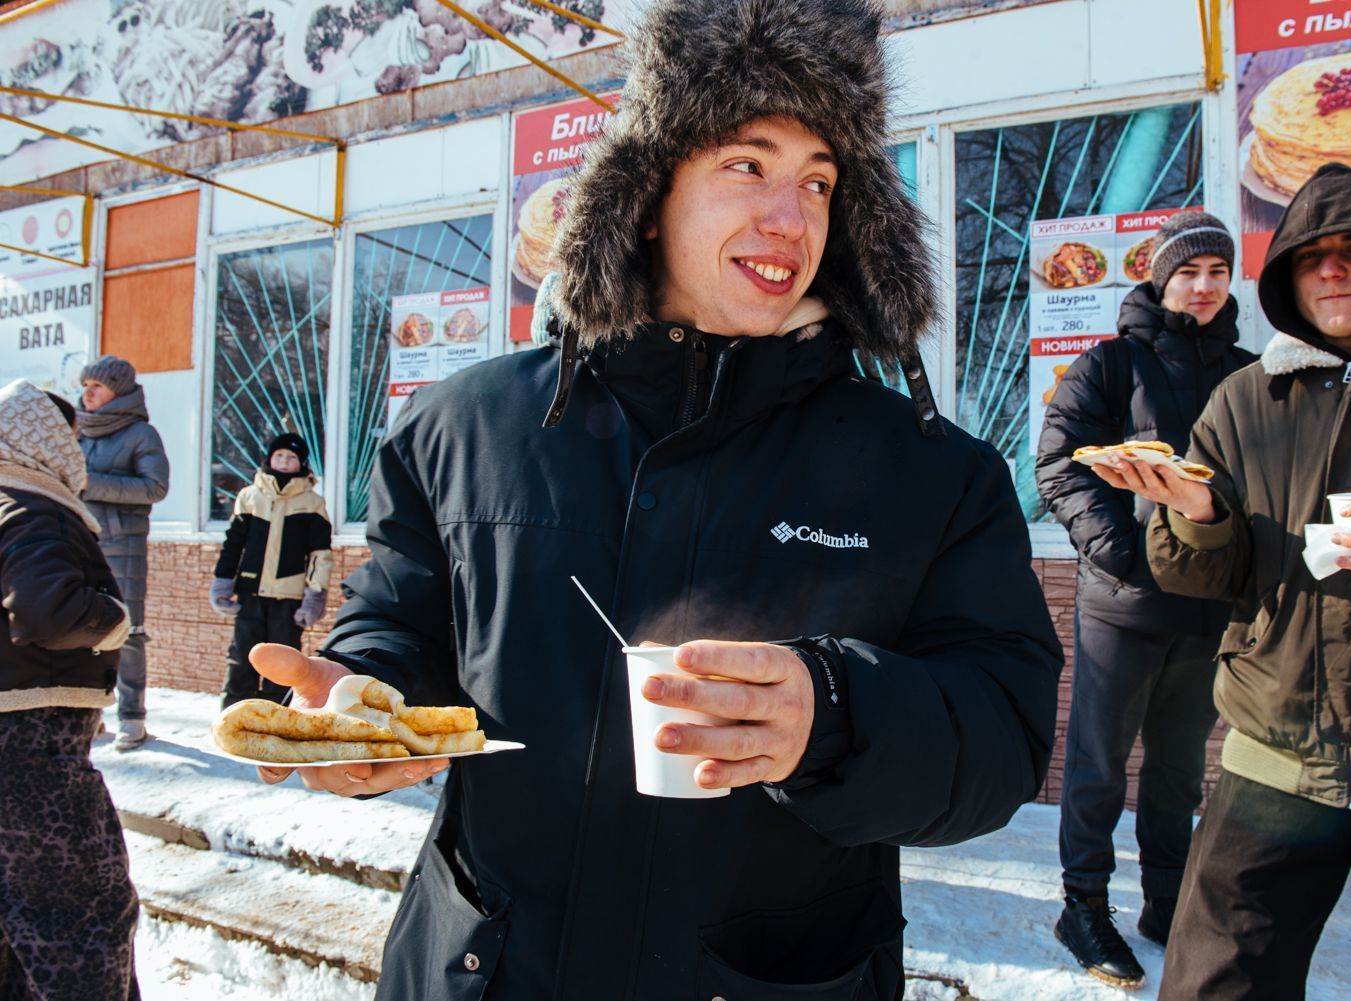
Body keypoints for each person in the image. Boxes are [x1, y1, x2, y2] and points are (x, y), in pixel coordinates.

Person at [251, 0, 1064, 996]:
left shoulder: (933, 474)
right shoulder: (463, 427)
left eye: (820, 181)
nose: (791, 217)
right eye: (748, 165)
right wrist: (363, 696)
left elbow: (1005, 734)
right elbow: (400, 622)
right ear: (644, 196)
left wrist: (833, 712)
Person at [1095, 163, 1351, 1000]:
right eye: (1311, 256)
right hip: (1278, 758)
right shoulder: (1247, 398)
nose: (1332, 270)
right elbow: (1208, 571)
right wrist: (1197, 514)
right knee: (1212, 985)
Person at [1035, 210, 1255, 988]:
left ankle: (1167, 900)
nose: (1203, 286)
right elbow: (1059, 462)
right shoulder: (1111, 363)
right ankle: (1084, 906)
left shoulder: (1251, 376)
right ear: (1160, 280)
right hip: (1124, 603)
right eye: (1187, 272)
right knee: (1099, 762)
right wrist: (1124, 555)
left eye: (1217, 272)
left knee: (1178, 770)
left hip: (1208, 607)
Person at [0, 378, 141, 1001]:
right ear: (45, 439)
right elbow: (47, 610)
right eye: (72, 438)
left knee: (16, 929)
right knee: (83, 922)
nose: (78, 454)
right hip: (35, 752)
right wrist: (114, 622)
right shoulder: (34, 506)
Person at [77, 355, 169, 750]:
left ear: (118, 391)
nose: (87, 393)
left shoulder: (141, 434)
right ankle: (89, 712)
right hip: (78, 540)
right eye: (85, 386)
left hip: (122, 545)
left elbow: (155, 487)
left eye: (96, 386)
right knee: (81, 628)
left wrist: (89, 482)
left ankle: (132, 716)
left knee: (127, 630)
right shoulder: (78, 430)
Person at [209, 432, 331, 709]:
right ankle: (234, 716)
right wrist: (222, 583)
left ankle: (277, 720)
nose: (285, 461)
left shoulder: (313, 503)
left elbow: (320, 554)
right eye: (279, 455)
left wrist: (314, 596)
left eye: (292, 457)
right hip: (250, 595)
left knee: (282, 665)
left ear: (302, 463)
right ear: (270, 458)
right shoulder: (249, 497)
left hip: (288, 599)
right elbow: (233, 545)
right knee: (242, 659)